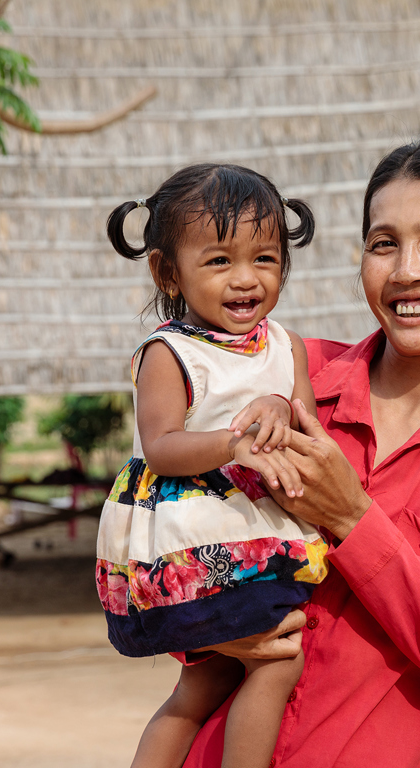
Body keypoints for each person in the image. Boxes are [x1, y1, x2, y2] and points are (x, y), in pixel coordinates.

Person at [181, 139, 420, 768]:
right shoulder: (285, 376)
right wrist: (217, 620)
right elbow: (175, 542)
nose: (406, 270)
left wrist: (354, 521)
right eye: (383, 243)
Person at [97, 164, 330, 768]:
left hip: (252, 542)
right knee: (276, 660)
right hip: (190, 547)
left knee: (203, 686)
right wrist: (233, 445)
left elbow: (309, 427)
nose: (246, 280)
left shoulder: (286, 346)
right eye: (220, 261)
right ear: (167, 271)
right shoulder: (170, 353)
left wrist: (282, 405)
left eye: (266, 259)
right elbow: (162, 447)